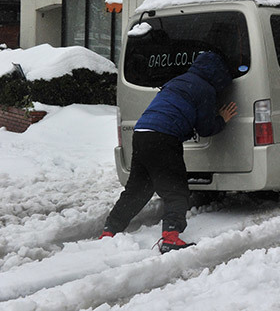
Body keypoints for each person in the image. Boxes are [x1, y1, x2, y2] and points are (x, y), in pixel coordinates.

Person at [100, 51, 238, 253]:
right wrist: (222, 119)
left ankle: (109, 231)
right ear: (218, 74)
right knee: (176, 190)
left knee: (138, 189)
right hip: (164, 137)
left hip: (142, 133)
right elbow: (206, 129)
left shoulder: (178, 81)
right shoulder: (205, 89)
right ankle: (171, 237)